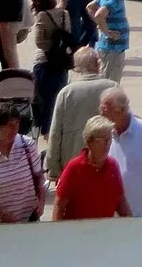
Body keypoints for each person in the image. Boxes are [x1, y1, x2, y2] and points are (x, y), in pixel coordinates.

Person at [47, 47, 112, 180]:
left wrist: (53, 167)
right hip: (106, 159)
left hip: (72, 161)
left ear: (76, 68)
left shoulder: (66, 92)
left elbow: (55, 132)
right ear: (98, 64)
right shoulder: (112, 87)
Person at [101, 89, 142, 218]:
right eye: (101, 111)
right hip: (113, 215)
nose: (102, 116)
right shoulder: (104, 133)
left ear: (121, 110)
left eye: (106, 111)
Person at [53, 117, 130, 220]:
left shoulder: (113, 166)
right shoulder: (75, 167)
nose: (108, 144)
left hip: (105, 232)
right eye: (103, 139)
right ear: (89, 142)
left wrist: (131, 225)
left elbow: (121, 202)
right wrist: (57, 233)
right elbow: (59, 205)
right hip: (78, 233)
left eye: (109, 138)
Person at [29, 0, 74, 136]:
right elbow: (68, 34)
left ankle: (43, 129)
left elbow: (39, 43)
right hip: (62, 61)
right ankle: (54, 130)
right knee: (57, 98)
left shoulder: (42, 15)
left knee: (41, 98)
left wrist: (51, 48)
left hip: (44, 61)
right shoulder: (64, 14)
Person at [88, 0, 130, 82]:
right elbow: (99, 15)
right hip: (112, 47)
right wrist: (106, 31)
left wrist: (101, 25)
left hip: (112, 47)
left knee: (106, 78)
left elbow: (90, 6)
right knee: (110, 82)